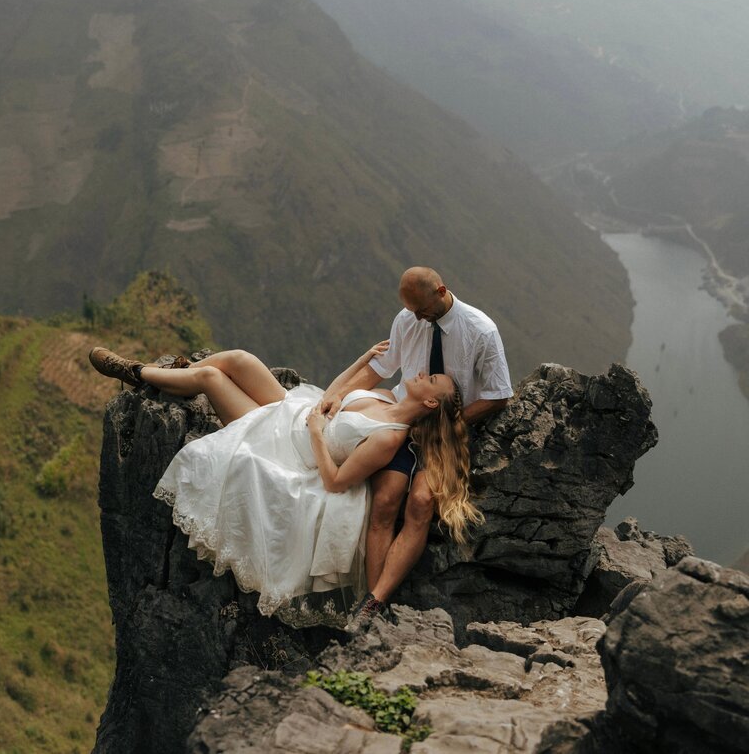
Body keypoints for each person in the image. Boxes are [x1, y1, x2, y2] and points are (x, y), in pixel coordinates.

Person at [88, 340, 480, 627]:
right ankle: (170, 374)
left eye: (431, 380)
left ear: (430, 403)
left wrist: (314, 432)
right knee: (241, 359)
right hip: (290, 413)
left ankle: (134, 372)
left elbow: (336, 481)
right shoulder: (380, 396)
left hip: (285, 445)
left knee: (210, 376)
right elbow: (333, 396)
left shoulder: (390, 437)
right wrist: (363, 359)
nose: (422, 373)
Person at [320, 266, 513, 627]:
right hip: (400, 419)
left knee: (421, 502)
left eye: (421, 309)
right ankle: (372, 606)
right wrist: (337, 396)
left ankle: (375, 600)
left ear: (441, 291)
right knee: (385, 501)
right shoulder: (408, 318)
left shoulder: (481, 330)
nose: (417, 317)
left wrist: (449, 426)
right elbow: (381, 367)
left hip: (445, 434)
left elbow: (498, 395)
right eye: (410, 310)